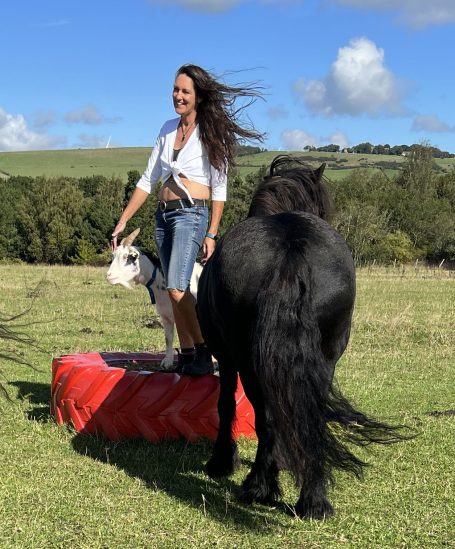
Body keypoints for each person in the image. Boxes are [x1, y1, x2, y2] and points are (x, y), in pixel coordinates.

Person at [111, 64, 263, 376]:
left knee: (178, 287)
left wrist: (212, 233)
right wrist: (124, 220)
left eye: (185, 91)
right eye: (175, 90)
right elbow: (147, 180)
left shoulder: (210, 133)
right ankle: (188, 353)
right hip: (163, 216)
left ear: (199, 97)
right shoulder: (167, 129)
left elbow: (219, 188)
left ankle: (207, 351)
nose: (177, 96)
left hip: (191, 215)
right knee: (171, 289)